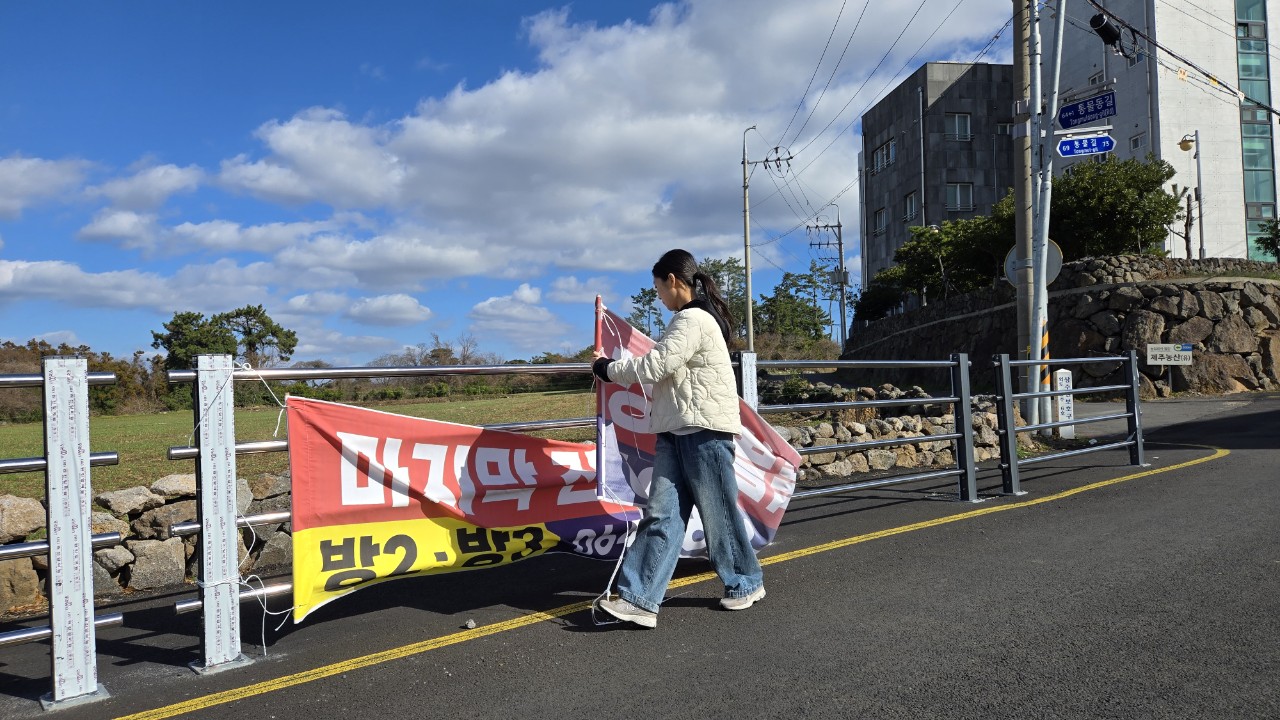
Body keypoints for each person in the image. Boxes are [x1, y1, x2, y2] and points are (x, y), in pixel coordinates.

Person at [591, 248, 764, 629]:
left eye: (658, 288)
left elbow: (657, 365)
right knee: (661, 514)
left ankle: (746, 582)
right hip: (675, 431)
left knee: (717, 513)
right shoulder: (688, 321)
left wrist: (607, 369)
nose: (658, 296)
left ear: (673, 281)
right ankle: (639, 600)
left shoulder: (694, 319)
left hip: (705, 431)